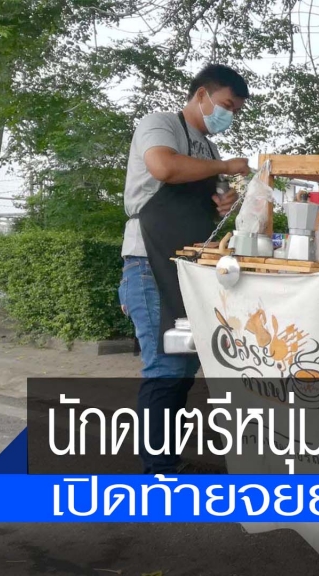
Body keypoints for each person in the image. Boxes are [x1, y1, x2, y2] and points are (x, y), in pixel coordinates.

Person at [118, 64, 250, 473]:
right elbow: (165, 167)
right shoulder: (160, 125)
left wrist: (224, 200)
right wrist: (225, 168)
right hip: (149, 263)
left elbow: (212, 196)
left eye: (236, 110)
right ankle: (157, 471)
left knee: (184, 365)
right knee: (166, 366)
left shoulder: (208, 149)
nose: (229, 114)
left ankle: (166, 460)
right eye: (227, 104)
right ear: (202, 95)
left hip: (188, 268)